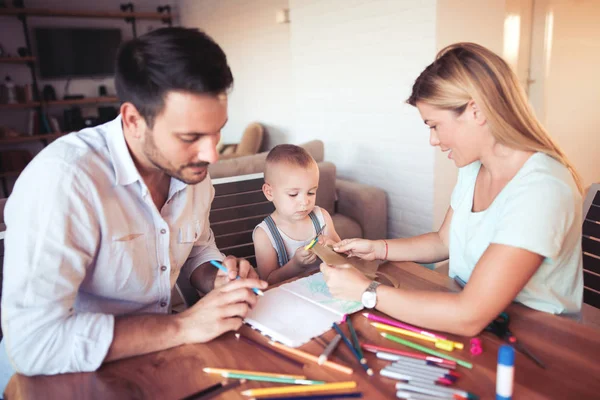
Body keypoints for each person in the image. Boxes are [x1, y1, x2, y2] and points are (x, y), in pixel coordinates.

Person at [0, 27, 267, 393]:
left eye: (218, 131)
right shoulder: (64, 182)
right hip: (56, 380)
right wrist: (184, 325)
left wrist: (215, 276)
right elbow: (33, 344)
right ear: (133, 121)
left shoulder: (192, 174)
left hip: (154, 361)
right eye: (190, 138)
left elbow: (198, 249)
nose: (211, 155)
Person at [321, 42, 584, 336]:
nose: (433, 140)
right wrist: (378, 248)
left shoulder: (542, 190)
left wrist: (367, 291)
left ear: (476, 111)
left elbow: (469, 316)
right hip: (485, 320)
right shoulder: (474, 168)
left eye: (434, 125)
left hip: (537, 339)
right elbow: (443, 241)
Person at [253, 144, 341, 284]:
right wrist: (296, 265)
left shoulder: (321, 217)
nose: (305, 202)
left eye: (311, 192)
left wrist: (331, 247)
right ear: (269, 192)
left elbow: (342, 257)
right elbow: (268, 281)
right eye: (293, 194)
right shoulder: (265, 234)